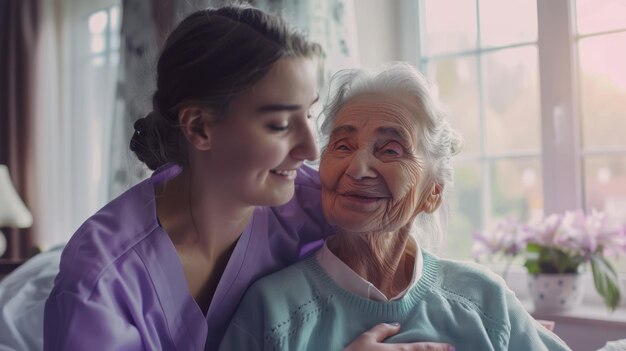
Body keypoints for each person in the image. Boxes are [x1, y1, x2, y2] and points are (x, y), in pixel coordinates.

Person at [43, 6, 453, 351]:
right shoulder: (100, 282)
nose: (311, 150)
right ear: (200, 127)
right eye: (278, 124)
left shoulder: (312, 202)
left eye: (308, 116)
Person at [219, 63, 572, 351]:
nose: (357, 169)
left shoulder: (483, 299)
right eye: (342, 146)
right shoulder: (273, 309)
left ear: (432, 193)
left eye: (390, 150)